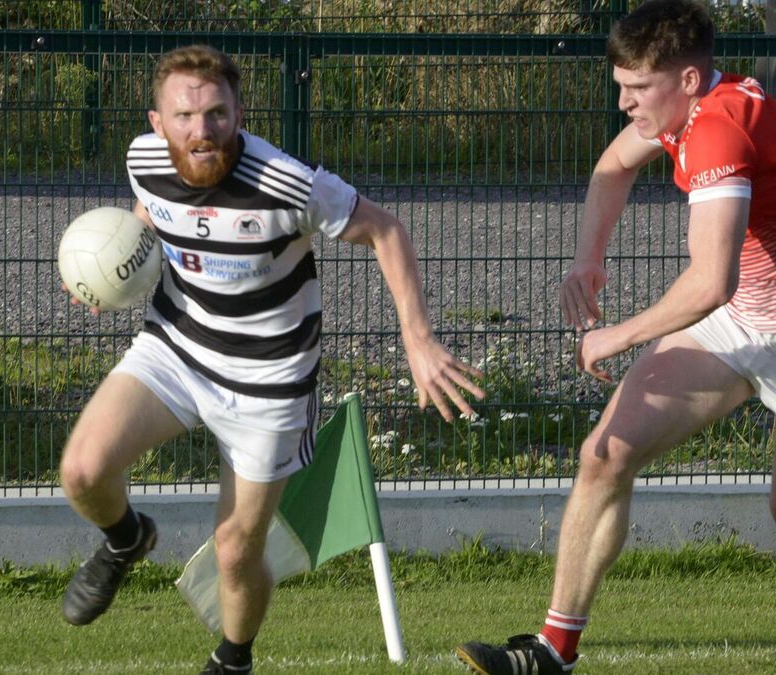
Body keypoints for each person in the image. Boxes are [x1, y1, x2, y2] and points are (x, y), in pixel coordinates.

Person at [456, 2, 776, 673]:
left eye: (637, 88)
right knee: (605, 454)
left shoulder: (719, 129)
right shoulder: (680, 113)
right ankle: (554, 651)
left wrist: (615, 337)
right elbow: (614, 165)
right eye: (620, 86)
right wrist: (587, 259)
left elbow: (711, 281)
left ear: (688, 80)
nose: (624, 102)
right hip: (739, 323)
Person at [58, 44, 484, 674]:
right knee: (82, 471)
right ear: (157, 122)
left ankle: (233, 659)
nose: (201, 131)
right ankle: (127, 538)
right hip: (176, 347)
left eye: (216, 114)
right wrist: (115, 266)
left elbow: (385, 229)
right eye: (184, 116)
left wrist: (418, 340)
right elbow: (150, 212)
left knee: (235, 551)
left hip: (270, 382)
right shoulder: (143, 158)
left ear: (239, 113)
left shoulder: (286, 183)